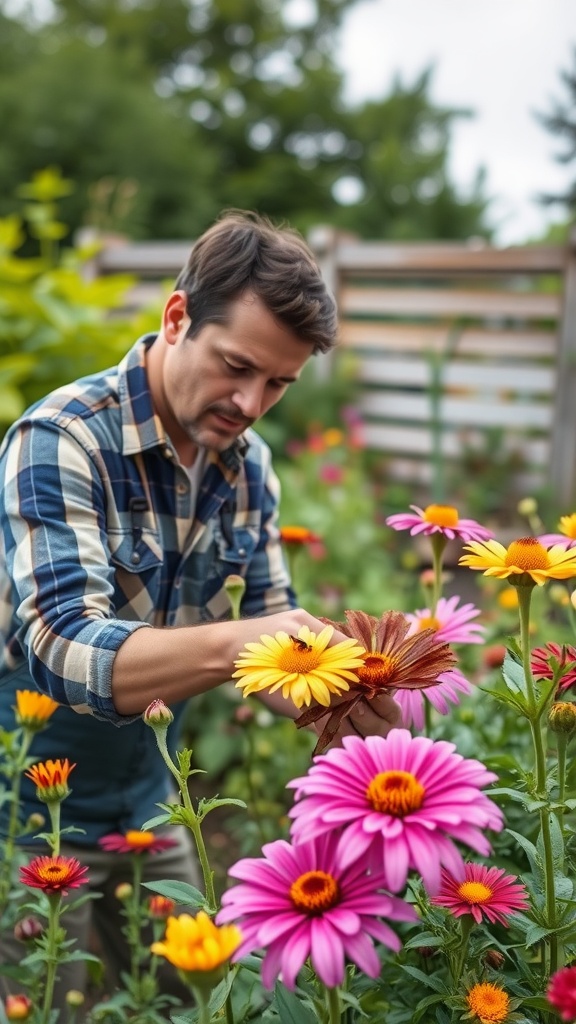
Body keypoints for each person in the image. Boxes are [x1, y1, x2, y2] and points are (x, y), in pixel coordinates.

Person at [0, 211, 400, 1007]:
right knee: (50, 1004)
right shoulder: (61, 440)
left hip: (156, 801)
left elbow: (276, 635)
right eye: (237, 366)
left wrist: (350, 698)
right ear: (176, 317)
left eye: (279, 384)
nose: (251, 403)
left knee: (204, 1004)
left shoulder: (249, 472)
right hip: (28, 819)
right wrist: (247, 643)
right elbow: (68, 650)